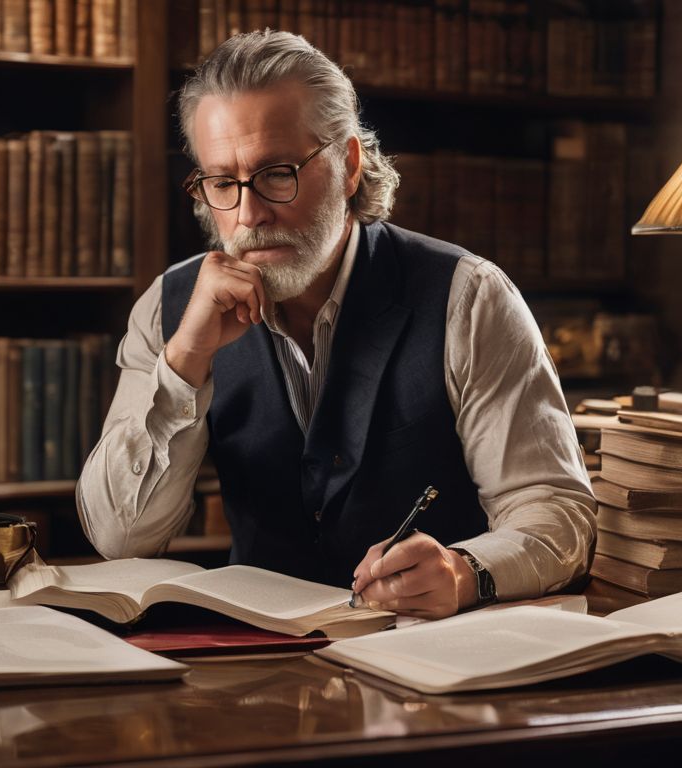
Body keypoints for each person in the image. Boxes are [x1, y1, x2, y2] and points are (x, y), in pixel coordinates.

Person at [76, 30, 595, 619]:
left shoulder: (467, 297)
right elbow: (119, 540)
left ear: (349, 166)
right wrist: (185, 361)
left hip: (432, 661)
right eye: (222, 182)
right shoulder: (168, 310)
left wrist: (467, 571)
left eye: (276, 173)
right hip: (253, 668)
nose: (249, 215)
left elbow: (557, 511)